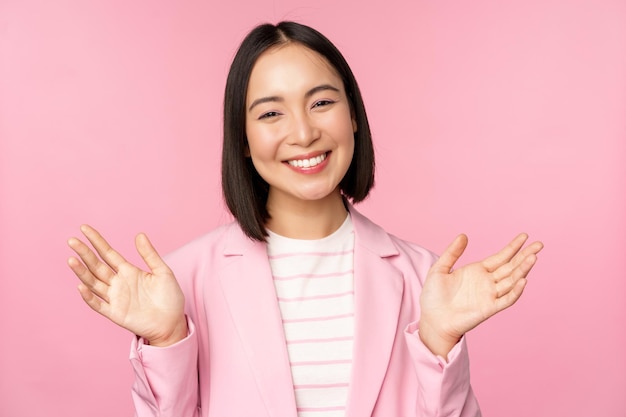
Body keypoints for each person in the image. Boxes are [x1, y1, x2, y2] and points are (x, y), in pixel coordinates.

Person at [67, 21, 543, 417]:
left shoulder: (426, 279)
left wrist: (439, 343)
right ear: (243, 137)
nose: (303, 132)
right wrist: (167, 340)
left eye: (321, 102)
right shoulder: (181, 282)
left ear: (354, 114)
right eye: (271, 113)